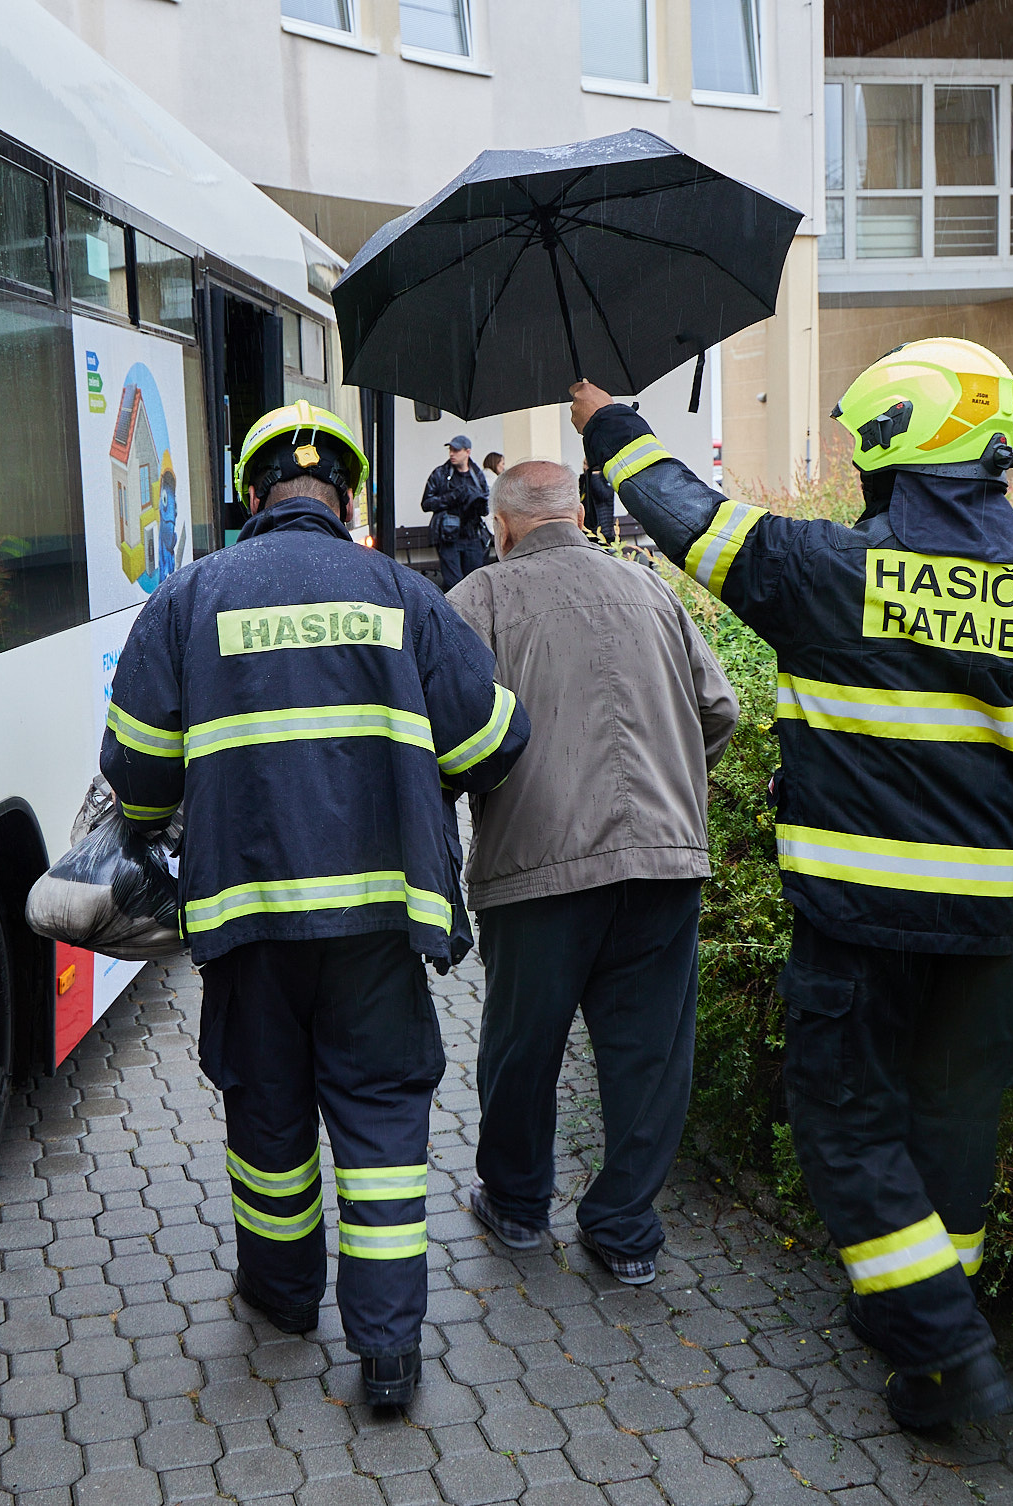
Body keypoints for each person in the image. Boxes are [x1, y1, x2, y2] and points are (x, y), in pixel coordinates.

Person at [568, 337, 1013, 1431]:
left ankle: (937, 1338)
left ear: (890, 455)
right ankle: (921, 1363)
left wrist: (609, 423)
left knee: (846, 1124)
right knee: (951, 1131)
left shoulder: (823, 575)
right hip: (983, 939)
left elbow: (690, 519)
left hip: (853, 930)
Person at [100, 400, 529, 1410]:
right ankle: (387, 1354)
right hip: (379, 930)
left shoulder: (189, 596)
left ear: (252, 495)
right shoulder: (402, 593)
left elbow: (137, 772)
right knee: (381, 1132)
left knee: (267, 1119)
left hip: (244, 930)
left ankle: (284, 1301)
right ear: (348, 496)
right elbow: (490, 746)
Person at [447, 461, 738, 1285]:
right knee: (650, 1052)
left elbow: (447, 736)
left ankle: (515, 1204)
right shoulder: (649, 588)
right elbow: (721, 710)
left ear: (501, 526)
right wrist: (672, 788)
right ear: (579, 513)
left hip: (537, 864)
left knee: (521, 1046)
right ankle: (624, 1229)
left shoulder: (478, 601)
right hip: (666, 860)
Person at [421, 433, 491, 589]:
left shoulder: (477, 475)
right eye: (450, 450)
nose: (452, 454)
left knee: (475, 583)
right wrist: (451, 497)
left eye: (456, 450)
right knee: (454, 584)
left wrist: (477, 502)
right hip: (449, 537)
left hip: (473, 536)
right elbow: (426, 504)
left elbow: (486, 506)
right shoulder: (440, 473)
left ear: (467, 452)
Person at [580, 458, 617, 542]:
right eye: (584, 464)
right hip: (588, 531)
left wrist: (595, 475)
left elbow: (603, 495)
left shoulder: (604, 479)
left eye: (587, 464)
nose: (584, 467)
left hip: (603, 532)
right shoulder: (585, 481)